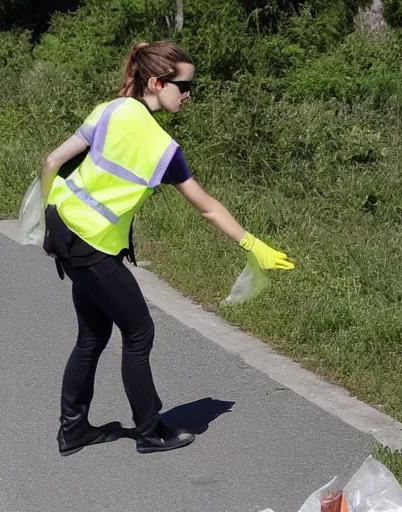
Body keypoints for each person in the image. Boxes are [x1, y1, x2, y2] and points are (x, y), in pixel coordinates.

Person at [41, 41, 295, 457]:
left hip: (64, 229)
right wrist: (252, 244)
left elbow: (52, 161)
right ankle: (149, 430)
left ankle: (74, 430)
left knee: (92, 335)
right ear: (157, 83)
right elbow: (208, 207)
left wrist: (45, 223)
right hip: (92, 246)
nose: (189, 94)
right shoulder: (161, 147)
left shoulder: (110, 109)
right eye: (184, 85)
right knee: (139, 332)